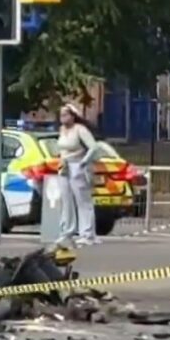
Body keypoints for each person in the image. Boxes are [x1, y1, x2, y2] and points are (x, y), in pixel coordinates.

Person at [57, 103, 99, 246]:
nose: (62, 118)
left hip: (77, 165)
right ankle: (67, 232)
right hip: (64, 166)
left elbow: (93, 147)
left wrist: (84, 162)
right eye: (61, 115)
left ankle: (87, 234)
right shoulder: (62, 130)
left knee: (83, 201)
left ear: (73, 116)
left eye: (65, 114)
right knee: (66, 201)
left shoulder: (80, 129)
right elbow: (61, 148)